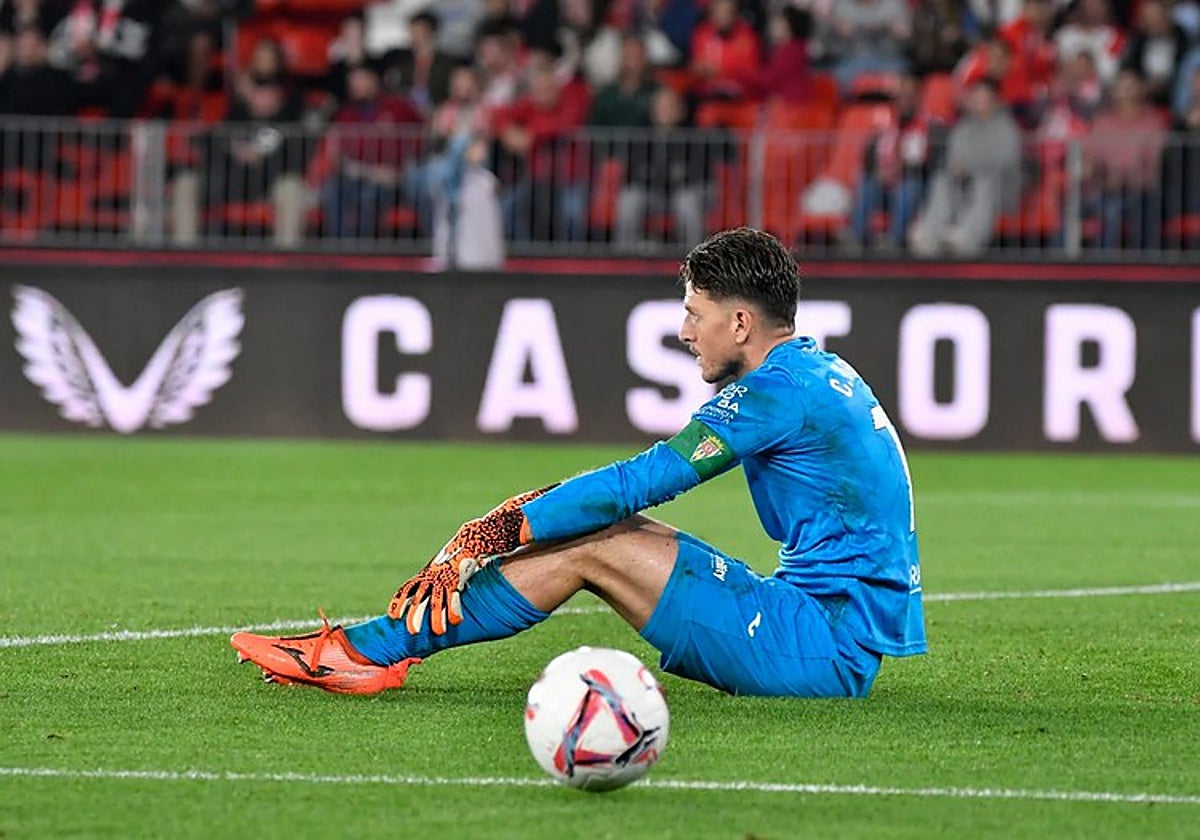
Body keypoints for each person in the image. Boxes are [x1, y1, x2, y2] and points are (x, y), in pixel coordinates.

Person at [231, 226, 927, 699]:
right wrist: (512, 521)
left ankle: (369, 652)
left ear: (740, 323)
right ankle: (373, 650)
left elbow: (645, 480)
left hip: (821, 646)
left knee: (595, 542)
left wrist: (494, 529)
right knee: (603, 533)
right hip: (818, 620)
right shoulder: (815, 372)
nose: (684, 331)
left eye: (696, 313)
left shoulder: (777, 393)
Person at [908, 76, 1022, 256]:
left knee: (985, 182)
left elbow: (1005, 161)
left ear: (994, 100)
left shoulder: (1007, 128)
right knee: (942, 180)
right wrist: (957, 168)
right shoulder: (963, 127)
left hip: (1000, 187)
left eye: (983, 97)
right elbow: (954, 155)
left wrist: (972, 167)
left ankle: (969, 235)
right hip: (965, 182)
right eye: (975, 96)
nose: (978, 101)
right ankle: (930, 233)